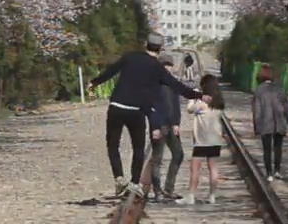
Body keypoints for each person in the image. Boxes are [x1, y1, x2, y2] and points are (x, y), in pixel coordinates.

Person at [87, 32, 207, 197]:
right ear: (160, 48)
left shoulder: (130, 57)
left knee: (113, 144)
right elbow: (178, 87)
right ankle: (135, 183)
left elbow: (111, 71)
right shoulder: (158, 68)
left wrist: (94, 82)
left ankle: (119, 178)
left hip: (116, 106)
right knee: (138, 147)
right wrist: (199, 95)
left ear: (146, 44)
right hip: (136, 111)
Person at [147, 54, 185, 201]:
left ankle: (168, 189)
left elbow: (176, 105)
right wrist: (155, 127)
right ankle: (157, 192)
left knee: (178, 154)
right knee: (157, 159)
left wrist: (177, 123)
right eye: (164, 65)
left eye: (169, 65)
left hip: (171, 125)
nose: (167, 67)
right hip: (159, 125)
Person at [184, 73, 225, 206]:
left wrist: (194, 96)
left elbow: (189, 109)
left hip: (202, 141)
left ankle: (191, 196)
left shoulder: (202, 103)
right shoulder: (219, 102)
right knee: (213, 168)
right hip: (215, 140)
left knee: (195, 168)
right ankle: (212, 196)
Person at [252, 64, 288, 181]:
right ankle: (277, 170)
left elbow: (257, 111)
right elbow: (286, 106)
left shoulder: (258, 91)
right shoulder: (279, 89)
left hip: (265, 123)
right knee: (278, 147)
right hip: (279, 122)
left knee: (267, 149)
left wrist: (256, 127)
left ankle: (269, 173)